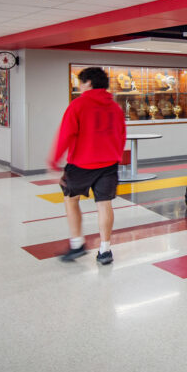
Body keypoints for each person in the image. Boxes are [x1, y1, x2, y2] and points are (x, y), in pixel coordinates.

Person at [48, 66, 126, 265]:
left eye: (80, 82)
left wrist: (54, 160)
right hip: (109, 164)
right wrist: (115, 155)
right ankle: (105, 250)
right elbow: (121, 135)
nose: (79, 86)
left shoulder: (78, 104)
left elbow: (66, 134)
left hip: (81, 164)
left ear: (88, 83)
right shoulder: (115, 107)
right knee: (104, 204)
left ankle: (77, 245)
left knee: (71, 199)